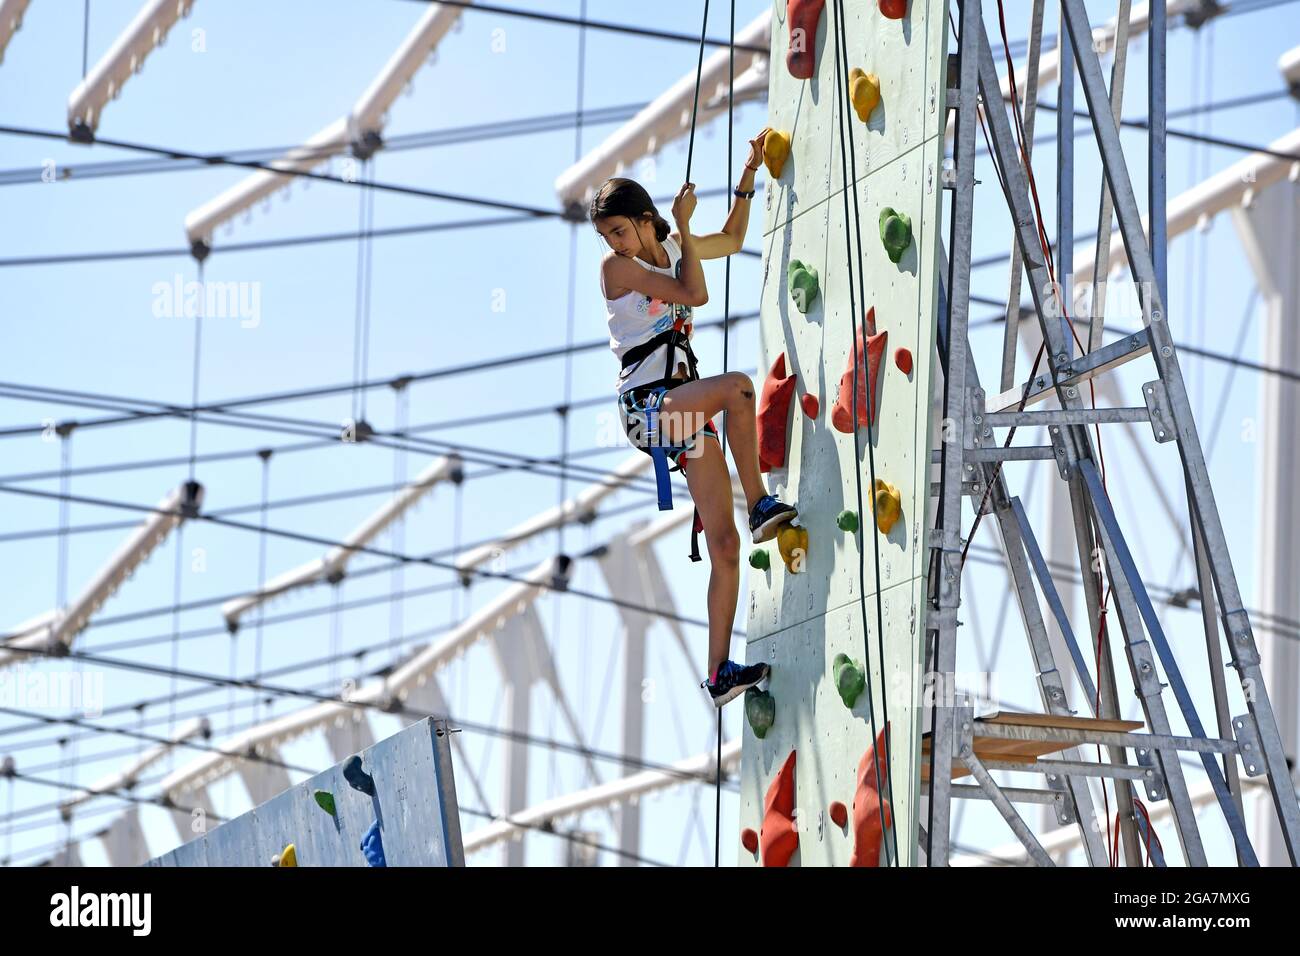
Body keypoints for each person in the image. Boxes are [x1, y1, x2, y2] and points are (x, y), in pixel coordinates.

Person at [590, 129, 797, 708]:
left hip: (682, 411)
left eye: (621, 230)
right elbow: (694, 294)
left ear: (643, 219)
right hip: (647, 409)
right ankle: (760, 501)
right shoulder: (616, 271)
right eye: (608, 236)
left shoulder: (676, 244)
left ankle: (719, 672)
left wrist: (747, 177)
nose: (616, 242)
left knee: (726, 546)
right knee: (736, 389)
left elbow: (732, 238)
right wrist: (682, 230)